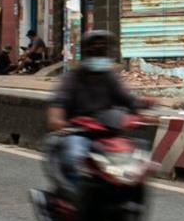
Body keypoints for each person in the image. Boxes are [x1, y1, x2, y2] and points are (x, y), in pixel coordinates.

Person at [45, 29, 145, 200]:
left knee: (138, 161)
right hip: (79, 132)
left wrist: (141, 112)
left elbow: (128, 99)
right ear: (85, 52)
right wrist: (57, 119)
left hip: (107, 134)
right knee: (75, 158)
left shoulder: (110, 77)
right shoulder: (73, 78)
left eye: (102, 50)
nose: (99, 53)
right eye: (95, 50)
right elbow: (59, 102)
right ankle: (76, 198)